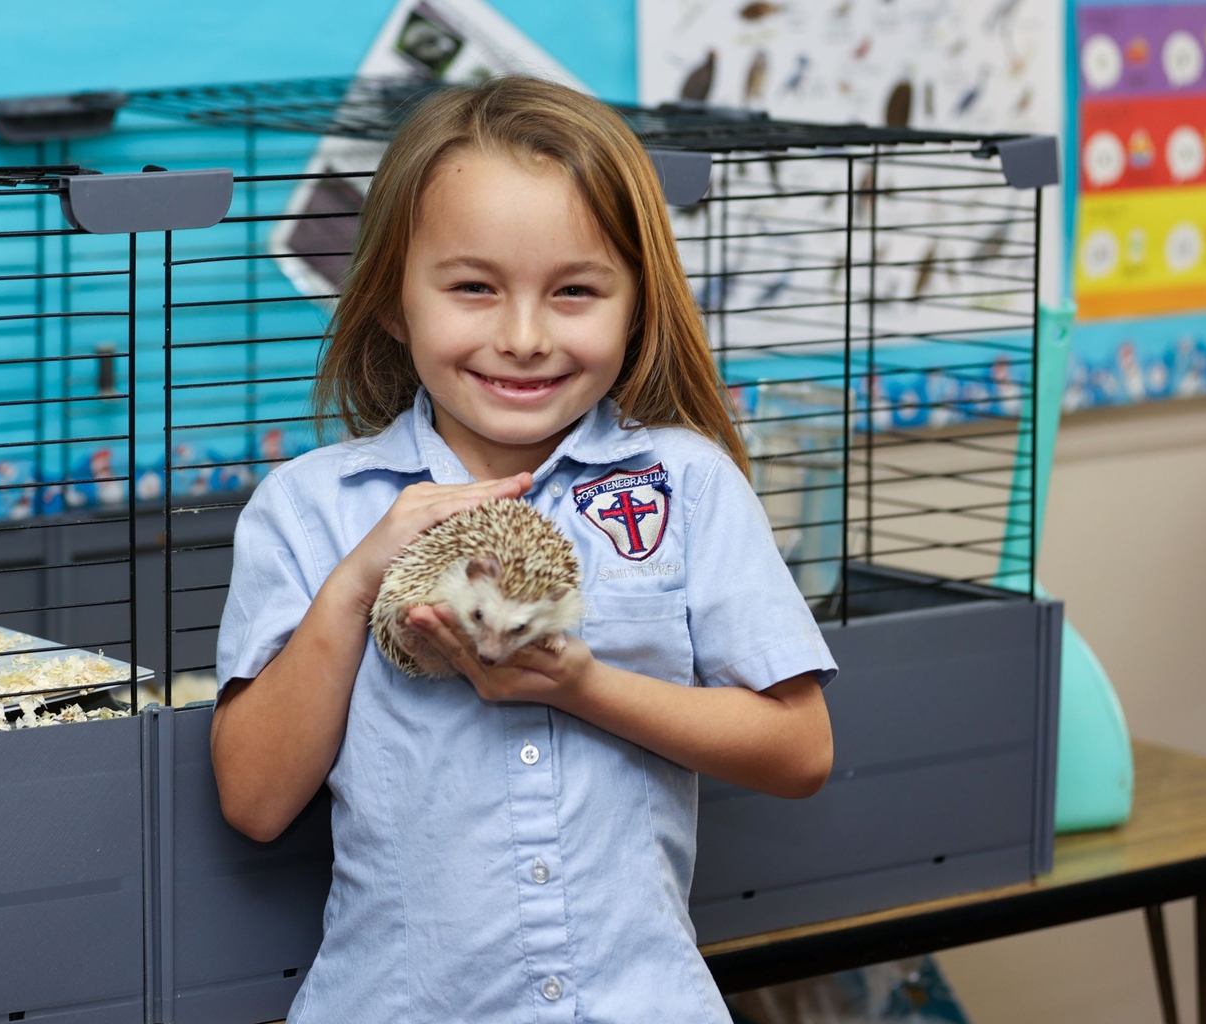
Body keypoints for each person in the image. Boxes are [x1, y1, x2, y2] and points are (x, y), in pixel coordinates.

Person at [210, 75, 836, 1023]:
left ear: (635, 306)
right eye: (473, 288)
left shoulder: (688, 484)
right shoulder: (310, 509)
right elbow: (255, 800)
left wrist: (580, 688)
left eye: (575, 291)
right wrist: (355, 583)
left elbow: (798, 750)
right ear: (390, 301)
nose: (524, 336)